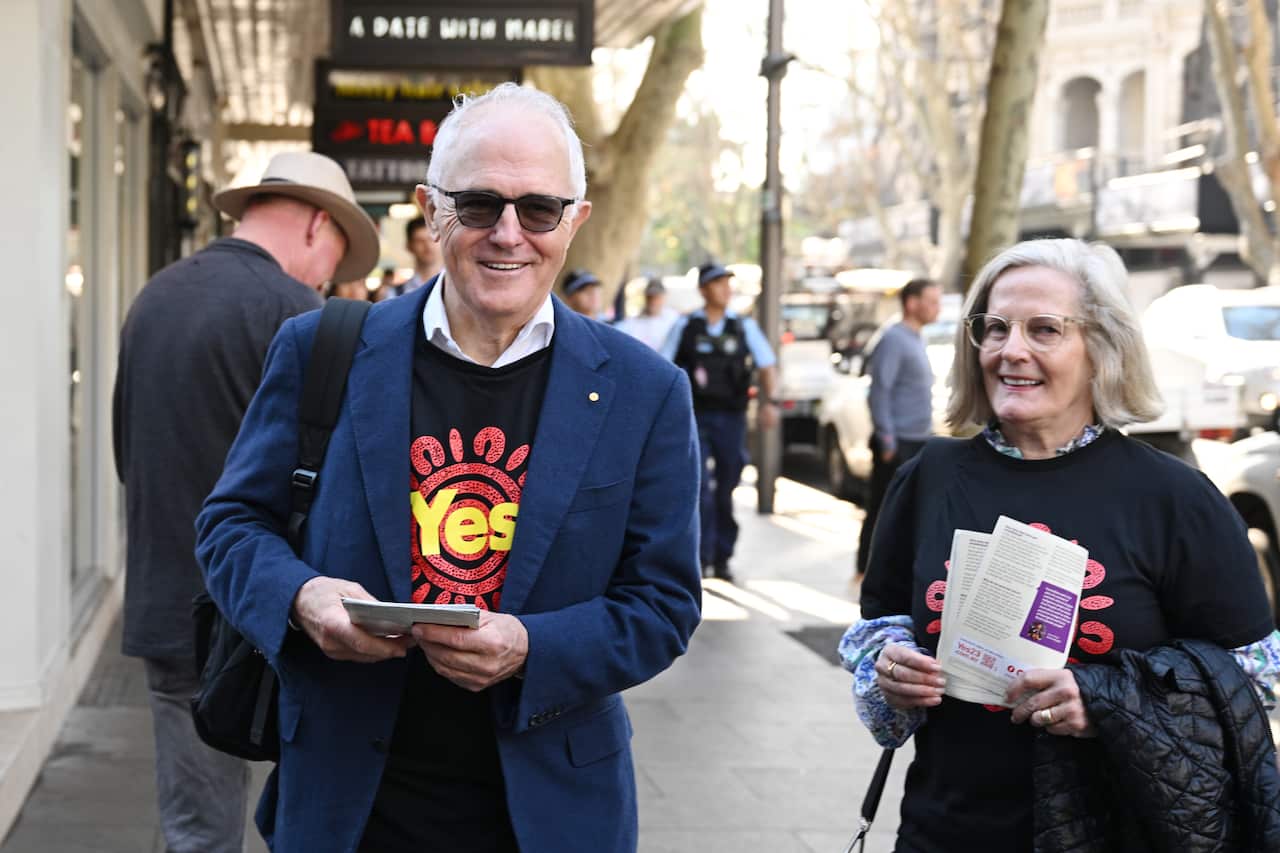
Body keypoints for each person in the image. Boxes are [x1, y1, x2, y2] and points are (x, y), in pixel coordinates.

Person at [195, 82, 701, 853]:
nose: (508, 234)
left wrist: (532, 646)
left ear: (576, 222)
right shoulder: (319, 349)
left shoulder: (646, 391)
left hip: (551, 816)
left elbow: (663, 603)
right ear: (432, 210)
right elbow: (230, 526)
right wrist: (301, 596)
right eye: (477, 205)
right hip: (349, 807)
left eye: (539, 209)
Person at [839, 239, 1280, 852]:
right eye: (995, 328)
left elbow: (1258, 676)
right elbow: (877, 632)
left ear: (1102, 350)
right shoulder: (929, 478)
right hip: (945, 832)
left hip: (1119, 832)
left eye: (1044, 330)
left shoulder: (1174, 497)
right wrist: (888, 673)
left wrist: (1107, 700)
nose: (1011, 350)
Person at [112, 150, 379, 853]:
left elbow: (122, 452)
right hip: (275, 613)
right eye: (336, 260)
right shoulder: (299, 315)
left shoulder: (154, 296)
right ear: (321, 224)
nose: (329, 280)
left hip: (168, 600)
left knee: (196, 831)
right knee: (315, 821)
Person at [662, 262, 778, 582]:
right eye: (718, 283)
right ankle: (699, 556)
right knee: (697, 489)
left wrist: (771, 403)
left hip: (731, 416)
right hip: (694, 417)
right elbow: (663, 367)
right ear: (703, 290)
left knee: (727, 487)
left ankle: (723, 556)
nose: (726, 289)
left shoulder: (742, 327)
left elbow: (767, 366)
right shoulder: (686, 326)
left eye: (728, 283)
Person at [856, 277, 941, 577]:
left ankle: (893, 571)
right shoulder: (894, 338)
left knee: (908, 511)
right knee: (882, 508)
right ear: (911, 303)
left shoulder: (917, 337)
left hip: (918, 438)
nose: (937, 308)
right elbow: (880, 391)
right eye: (931, 301)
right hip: (897, 442)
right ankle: (865, 569)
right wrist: (888, 440)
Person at [386, 215, 442, 298]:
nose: (428, 246)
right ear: (409, 246)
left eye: (432, 239)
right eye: (420, 241)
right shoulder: (396, 294)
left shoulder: (458, 288)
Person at [616, 277, 679, 350]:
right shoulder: (634, 321)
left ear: (663, 297)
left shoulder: (673, 319)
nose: (653, 301)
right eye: (650, 297)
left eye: (656, 297)